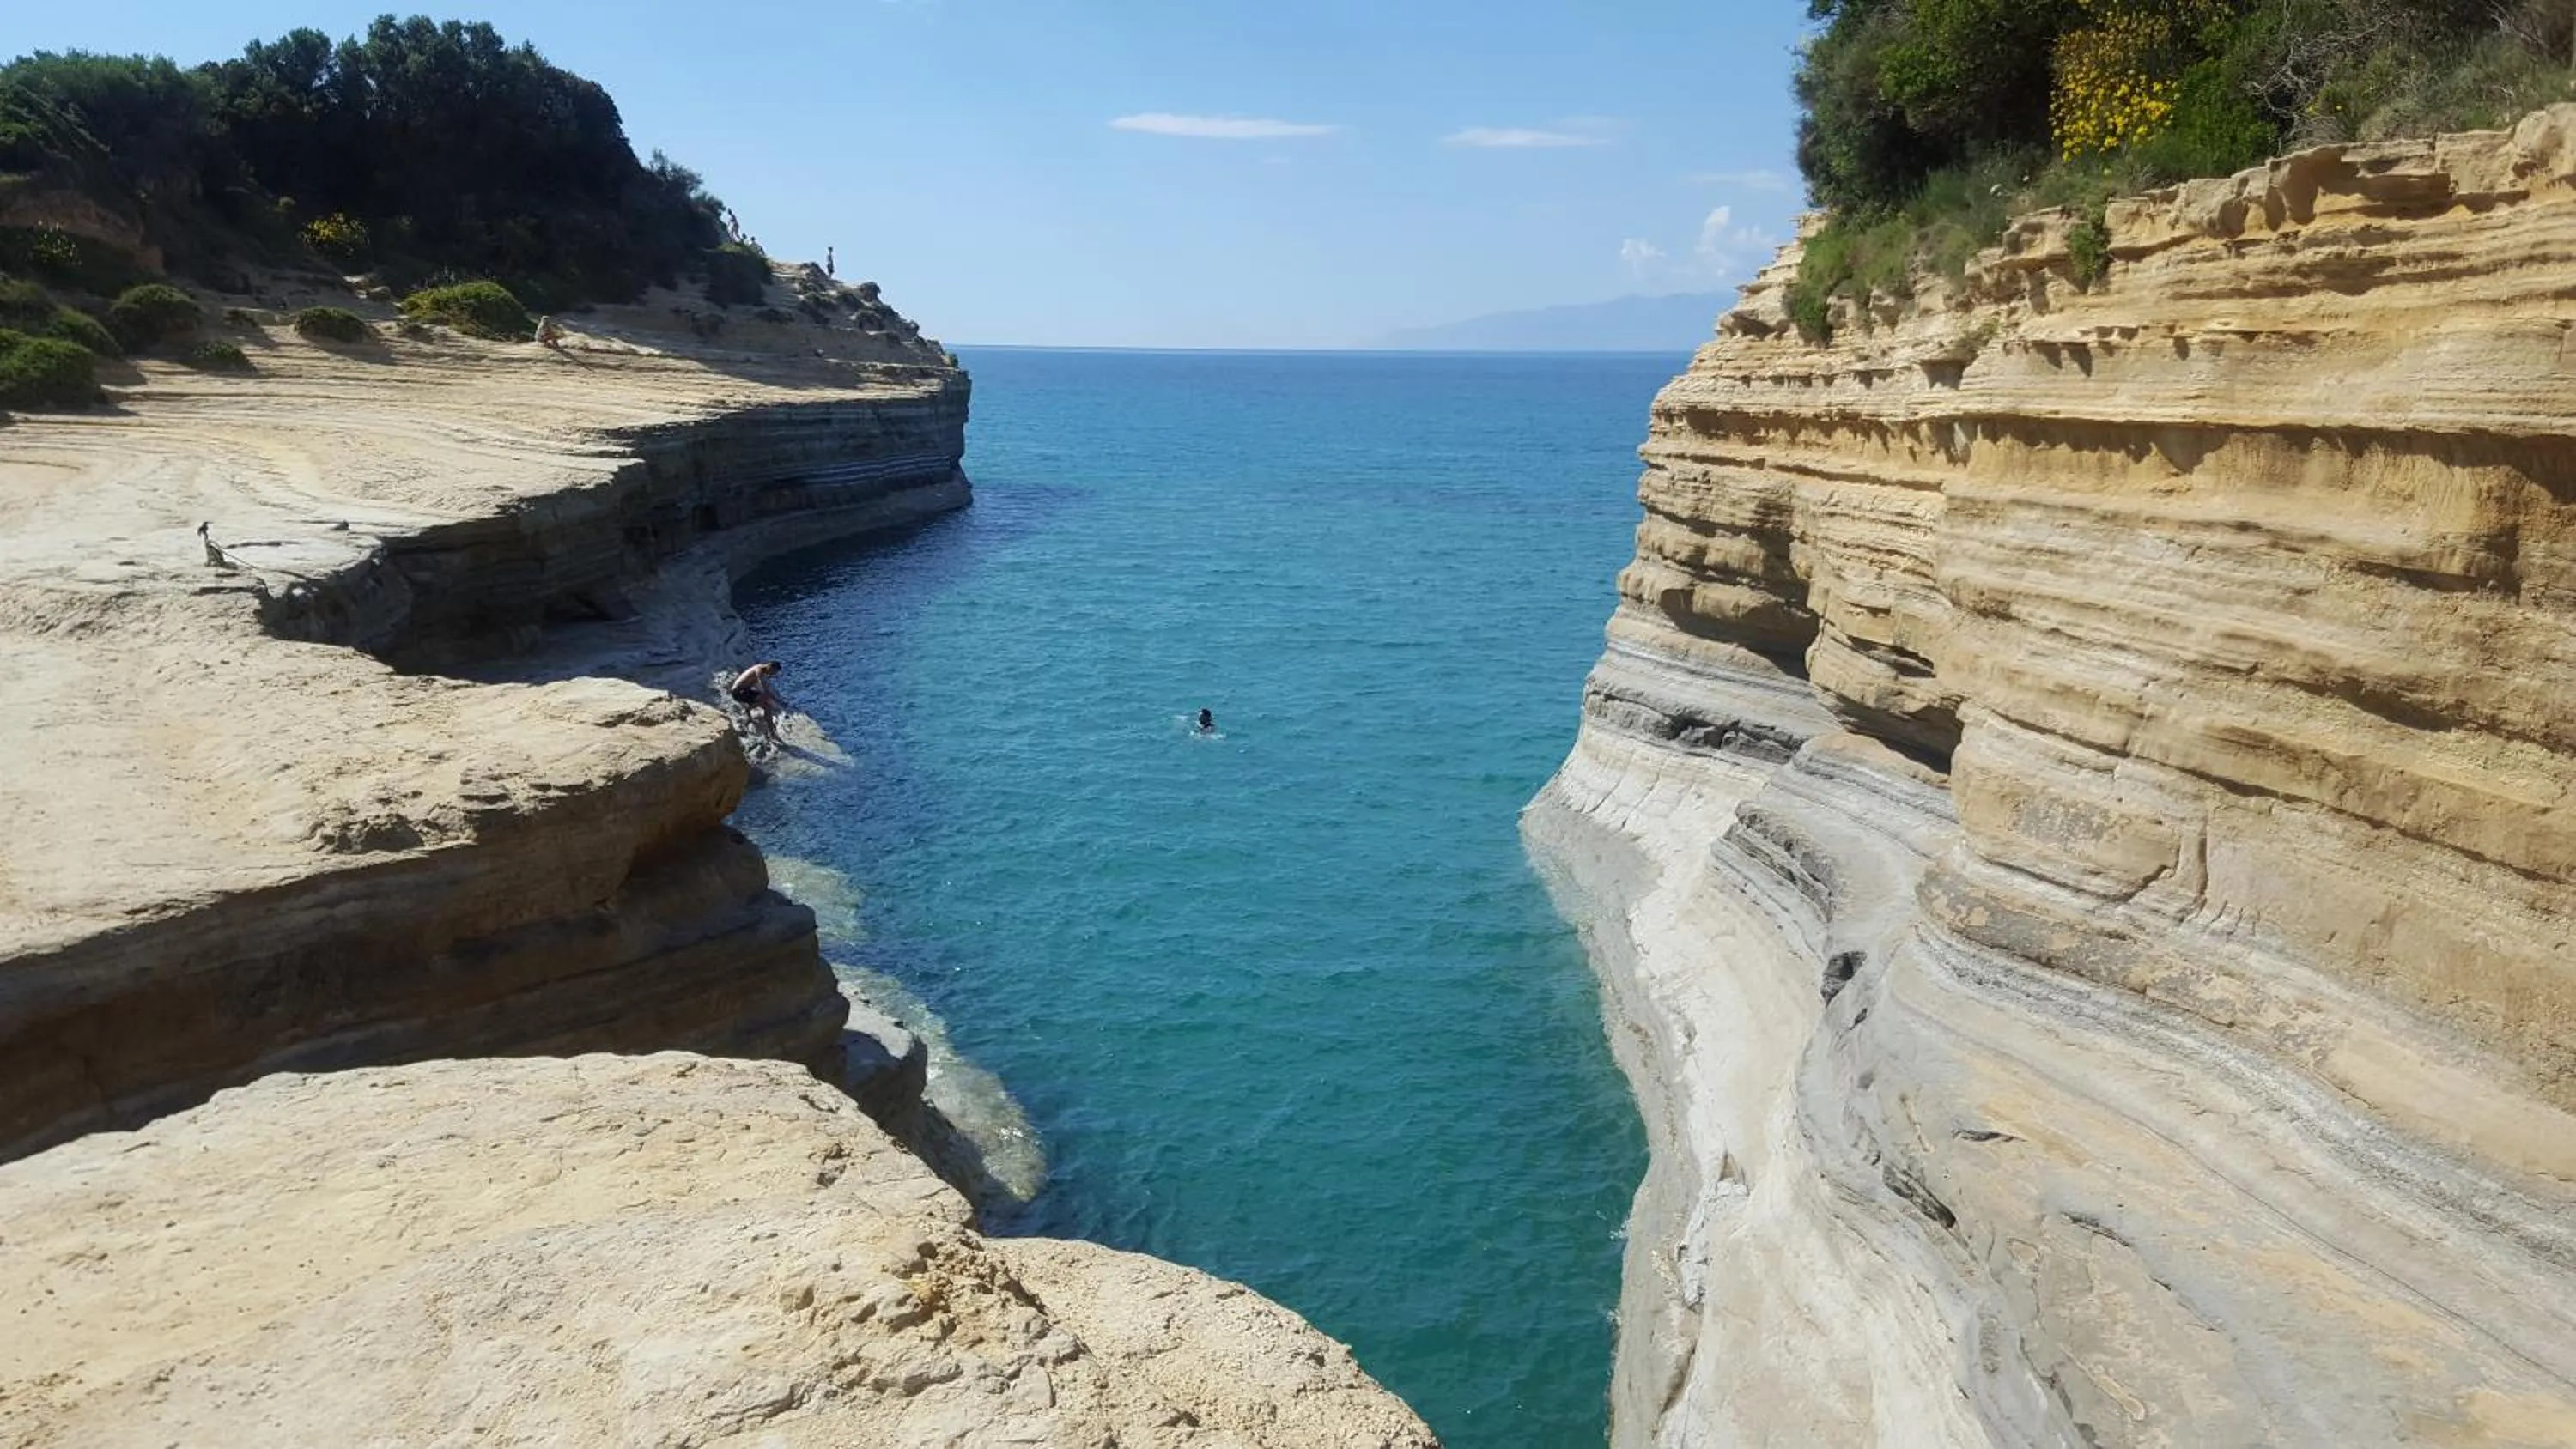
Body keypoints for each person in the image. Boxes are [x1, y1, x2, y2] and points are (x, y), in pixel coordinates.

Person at [729, 660, 787, 742]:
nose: (772, 675)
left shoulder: (762, 669)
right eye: (773, 672)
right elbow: (762, 686)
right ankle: (772, 733)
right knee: (767, 703)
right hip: (739, 693)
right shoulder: (759, 670)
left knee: (766, 705)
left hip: (745, 691)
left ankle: (749, 710)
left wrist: (775, 699)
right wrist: (777, 701)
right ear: (769, 667)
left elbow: (763, 687)